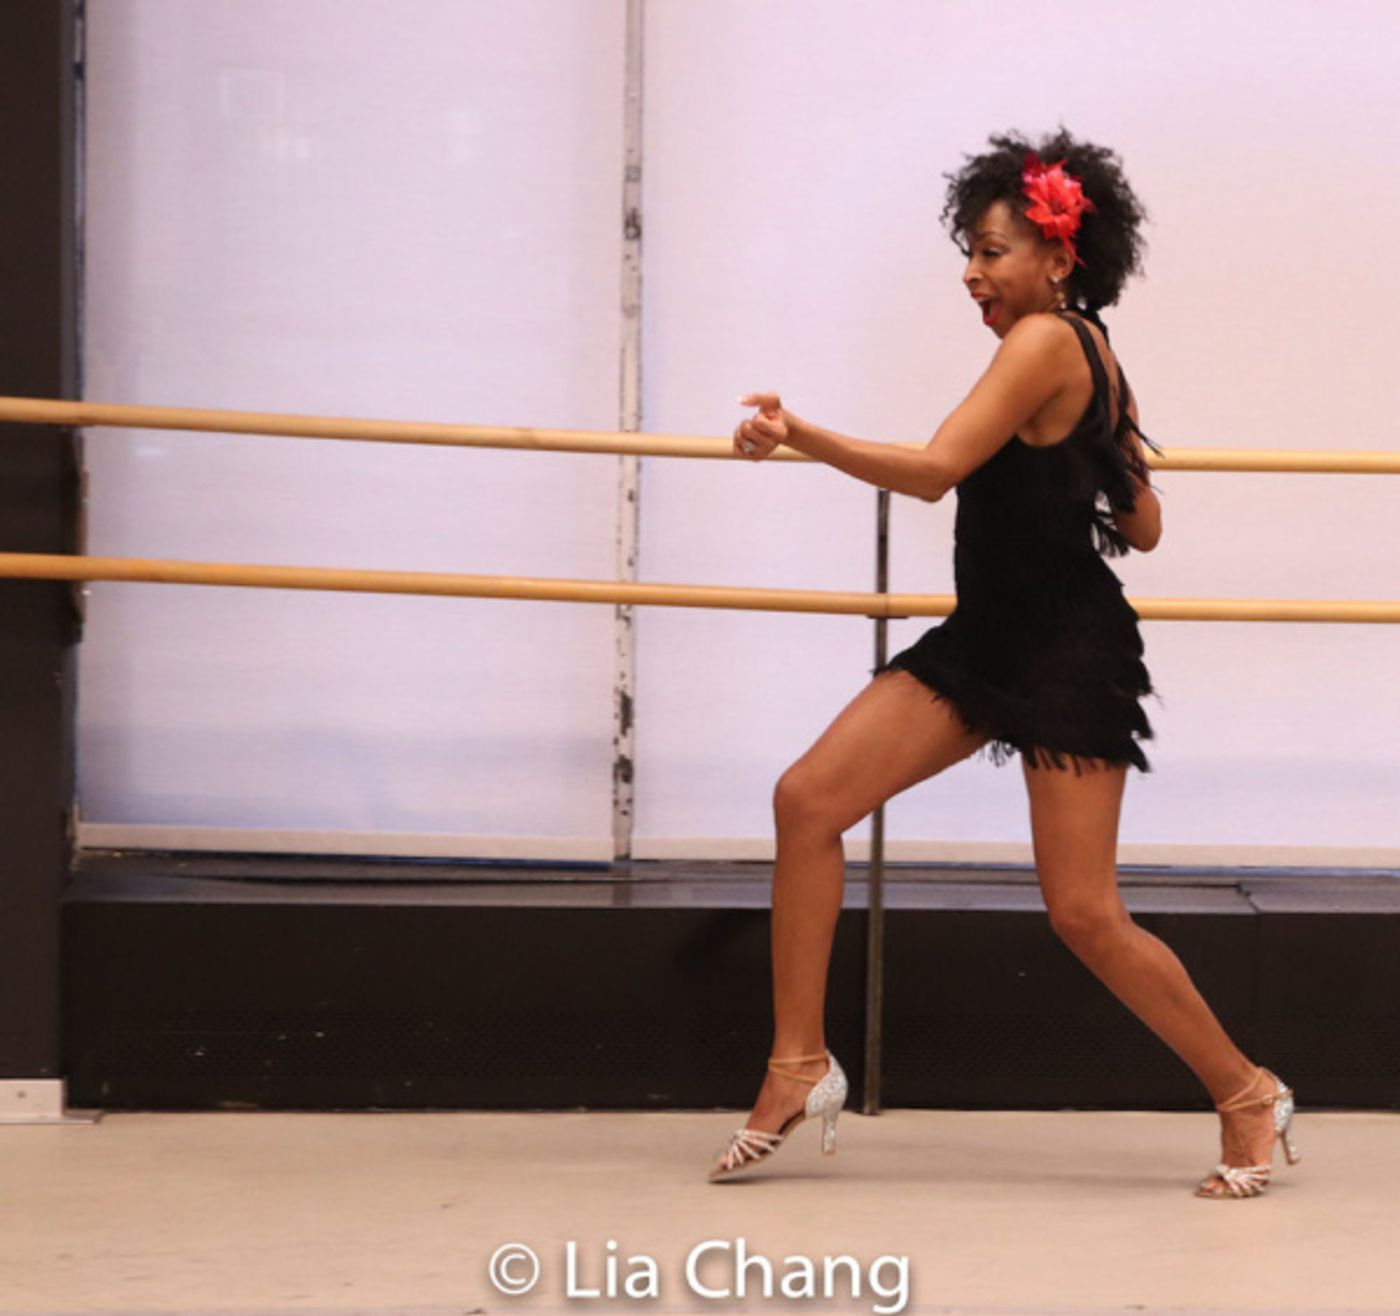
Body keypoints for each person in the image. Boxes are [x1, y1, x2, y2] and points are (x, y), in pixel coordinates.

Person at [711, 128, 1300, 1199]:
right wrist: (1101, 463)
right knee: (807, 800)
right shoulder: (1092, 352)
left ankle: (1245, 1091)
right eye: (968, 254)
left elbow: (937, 470)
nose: (972, 274)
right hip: (986, 637)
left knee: (1081, 911)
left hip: (1066, 651)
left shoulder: (1043, 343)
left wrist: (799, 433)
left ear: (1056, 258)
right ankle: (797, 1059)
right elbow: (1146, 523)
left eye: (990, 253)